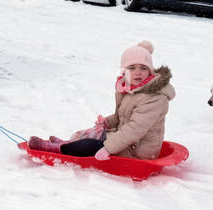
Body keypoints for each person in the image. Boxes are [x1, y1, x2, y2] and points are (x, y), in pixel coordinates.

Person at [27, 41, 175, 160]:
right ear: (124, 71)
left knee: (90, 145)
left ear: (150, 72)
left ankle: (55, 149)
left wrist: (108, 148)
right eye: (132, 68)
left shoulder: (154, 97)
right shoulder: (133, 89)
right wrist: (108, 122)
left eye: (143, 68)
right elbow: (124, 117)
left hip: (138, 150)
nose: (137, 72)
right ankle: (67, 144)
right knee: (93, 132)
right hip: (127, 141)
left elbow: (134, 129)